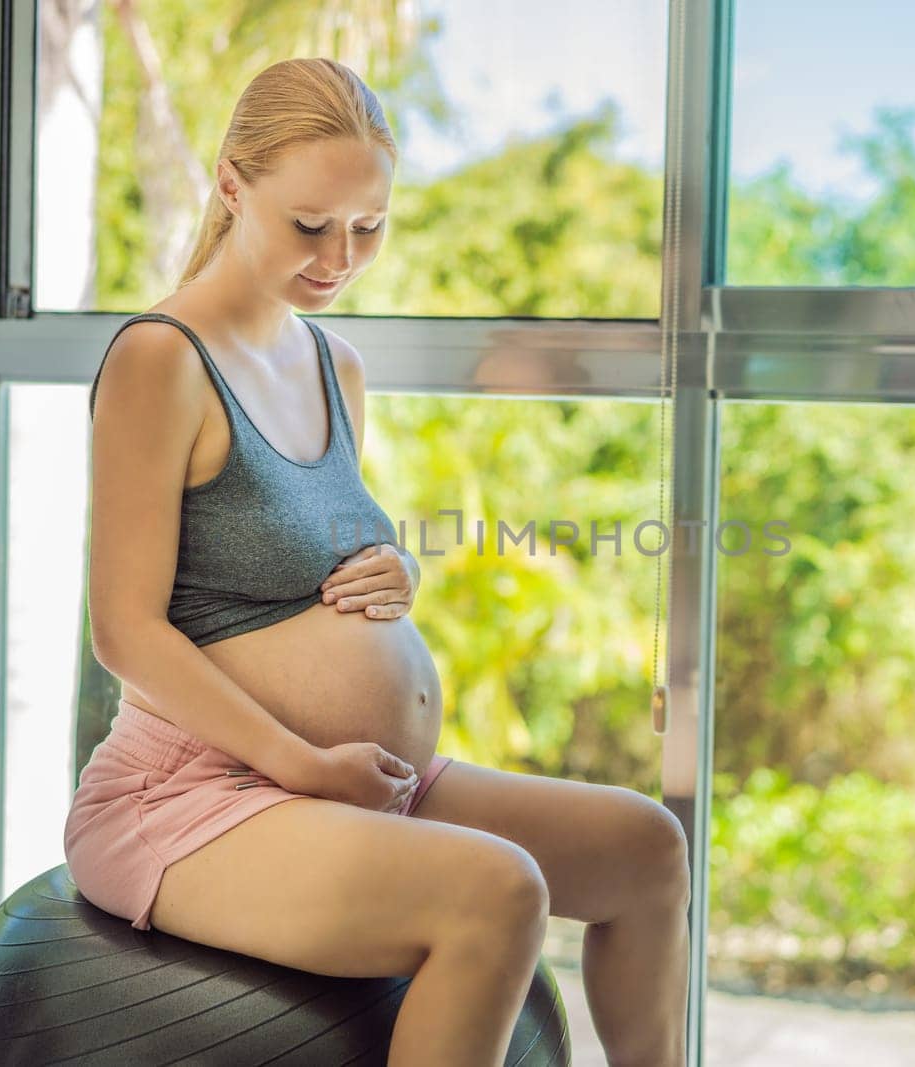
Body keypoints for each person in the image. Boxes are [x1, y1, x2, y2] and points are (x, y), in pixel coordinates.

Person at [62, 58, 690, 1066]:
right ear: (232, 185)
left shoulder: (334, 365)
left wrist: (392, 569)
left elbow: (305, 549)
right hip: (190, 796)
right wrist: (305, 763)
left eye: (369, 226)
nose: (339, 256)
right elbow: (124, 629)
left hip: (356, 777)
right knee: (499, 891)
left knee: (647, 847)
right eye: (310, 225)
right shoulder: (161, 358)